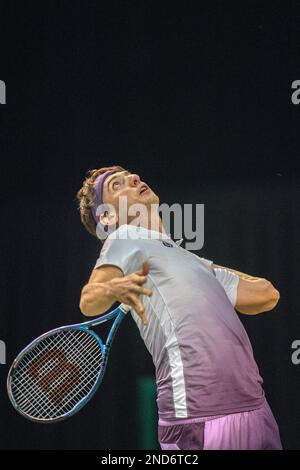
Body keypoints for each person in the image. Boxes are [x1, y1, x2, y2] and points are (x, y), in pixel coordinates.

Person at [77, 165, 282, 450]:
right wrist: (113, 288)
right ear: (107, 216)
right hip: (199, 415)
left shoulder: (192, 261)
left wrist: (199, 267)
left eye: (130, 175)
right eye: (117, 185)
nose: (135, 178)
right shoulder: (123, 237)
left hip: (255, 404)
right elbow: (89, 300)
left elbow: (267, 295)